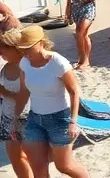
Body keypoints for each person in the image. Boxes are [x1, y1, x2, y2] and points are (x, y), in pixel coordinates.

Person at [5, 26, 87, 178]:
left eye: (29, 48)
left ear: (41, 43)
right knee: (38, 168)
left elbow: (74, 91)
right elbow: (24, 92)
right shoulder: (24, 63)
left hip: (60, 119)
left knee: (64, 166)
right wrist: (15, 119)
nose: (25, 52)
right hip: (35, 119)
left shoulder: (58, 63)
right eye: (22, 48)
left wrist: (73, 121)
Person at [0, 32, 32, 178]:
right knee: (15, 157)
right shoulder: (6, 67)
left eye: (4, 48)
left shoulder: (28, 67)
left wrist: (7, 93)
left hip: (25, 118)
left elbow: (26, 96)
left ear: (17, 48)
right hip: (7, 117)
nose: (1, 51)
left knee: (30, 157)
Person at [65, 0, 101, 70]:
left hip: (88, 7)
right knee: (83, 35)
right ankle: (85, 59)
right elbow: (68, 0)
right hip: (76, 8)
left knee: (79, 32)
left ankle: (83, 60)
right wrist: (68, 14)